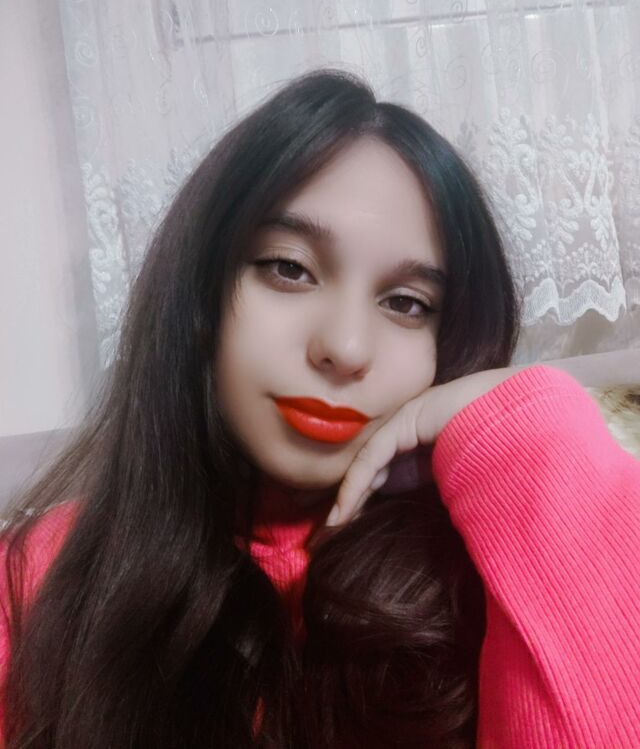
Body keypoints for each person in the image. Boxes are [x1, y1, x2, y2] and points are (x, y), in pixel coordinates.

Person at [0, 70, 638, 749]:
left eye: (407, 303)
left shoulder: (498, 554)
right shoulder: (39, 574)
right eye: (290, 268)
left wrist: (523, 430)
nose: (344, 347)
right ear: (200, 290)